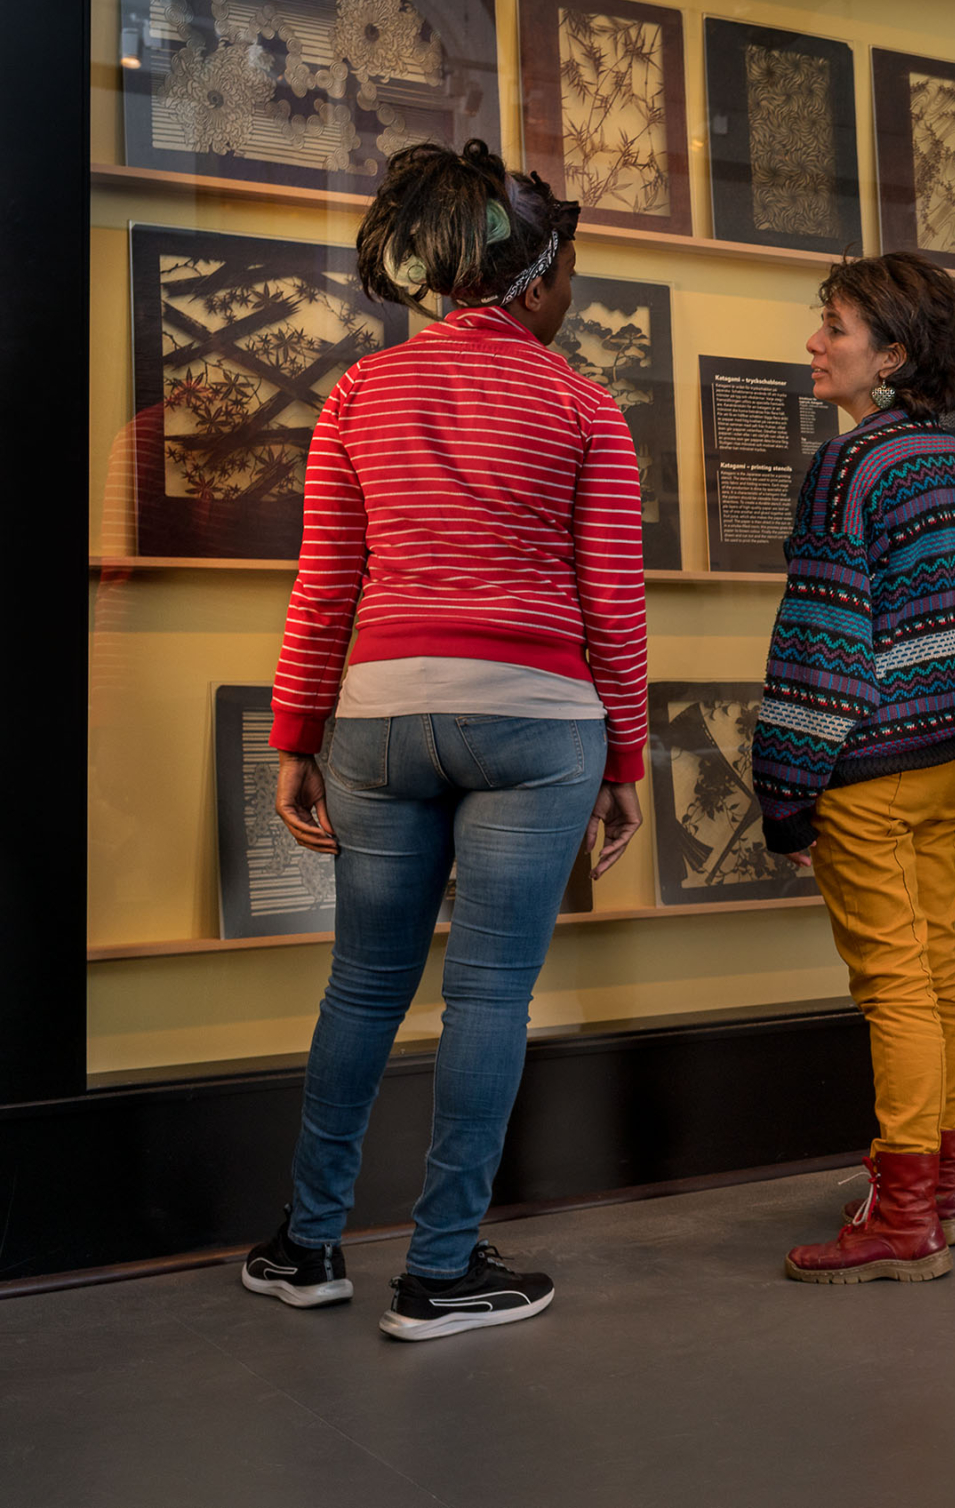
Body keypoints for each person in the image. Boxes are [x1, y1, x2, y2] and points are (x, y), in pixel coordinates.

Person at [239, 138, 646, 1341]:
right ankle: (442, 1269)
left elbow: (325, 586)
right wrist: (624, 762)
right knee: (487, 996)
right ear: (535, 275)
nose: (574, 296)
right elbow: (610, 605)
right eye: (571, 272)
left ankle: (307, 1246)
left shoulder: (361, 393)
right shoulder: (584, 405)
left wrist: (294, 735)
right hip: (537, 720)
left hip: (377, 715)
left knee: (363, 985)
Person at [752, 250, 955, 1285]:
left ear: (892, 355)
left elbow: (819, 642)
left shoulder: (850, 466)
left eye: (835, 326)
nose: (815, 344)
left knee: (892, 982)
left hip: (866, 767)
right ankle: (943, 1190)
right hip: (945, 759)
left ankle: (904, 1215)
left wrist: (786, 794)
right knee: (938, 960)